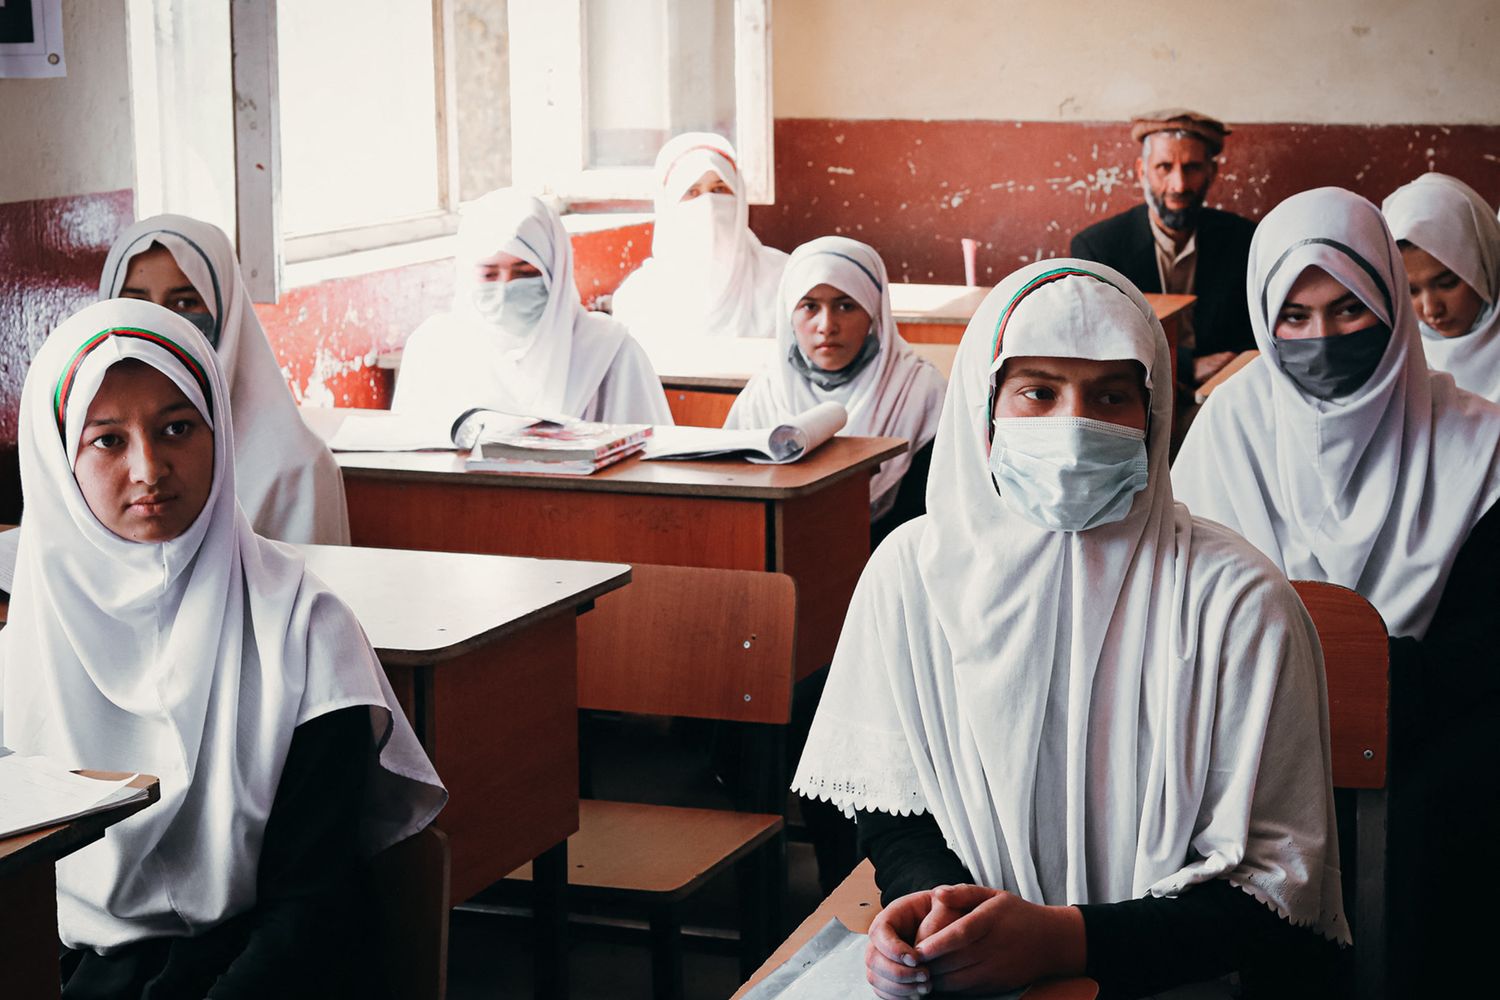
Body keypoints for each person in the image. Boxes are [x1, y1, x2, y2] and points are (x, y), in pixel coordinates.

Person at [791, 259, 1346, 998]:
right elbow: (895, 805)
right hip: (972, 970)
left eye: (1111, 395)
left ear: (1152, 416)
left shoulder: (1239, 601)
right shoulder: (910, 574)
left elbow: (1280, 890)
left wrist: (1061, 940)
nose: (1075, 426)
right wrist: (940, 908)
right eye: (1039, 391)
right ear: (983, 409)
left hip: (1166, 978)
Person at [0, 298, 446, 998]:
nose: (150, 468)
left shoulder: (301, 630)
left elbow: (308, 909)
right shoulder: (22, 650)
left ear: (221, 434)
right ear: (59, 461)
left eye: (177, 428)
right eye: (107, 440)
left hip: (265, 971)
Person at [1172, 187, 1500, 993]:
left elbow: (1482, 653)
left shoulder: (1481, 443)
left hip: (1432, 752)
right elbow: (1181, 607)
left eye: (1351, 309)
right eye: (1295, 315)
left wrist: (1353, 692)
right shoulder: (1229, 429)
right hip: (1242, 742)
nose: (1323, 339)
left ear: (1392, 301)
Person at [100, 215, 350, 545]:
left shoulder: (296, 467)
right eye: (137, 301)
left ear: (226, 312)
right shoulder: (88, 440)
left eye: (184, 302)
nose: (158, 322)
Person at [724, 236, 947, 545]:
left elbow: (932, 518)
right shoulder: (763, 395)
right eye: (809, 306)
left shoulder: (921, 392)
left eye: (845, 306)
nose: (827, 325)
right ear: (789, 313)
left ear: (873, 312)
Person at [392, 189, 672, 425]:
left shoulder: (610, 352)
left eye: (526, 273)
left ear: (556, 273)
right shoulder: (434, 349)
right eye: (489, 274)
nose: (505, 288)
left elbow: (650, 464)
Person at [1069, 110, 1256, 389]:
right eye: (1164, 167)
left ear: (1211, 173)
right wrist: (1185, 365)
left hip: (1222, 390)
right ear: (1142, 172)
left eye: (1191, 167)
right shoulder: (1098, 248)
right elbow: (1099, 339)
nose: (1179, 185)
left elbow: (1256, 333)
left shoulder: (1245, 240)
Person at [610, 133, 787, 349]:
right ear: (669, 205)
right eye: (692, 192)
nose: (709, 204)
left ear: (739, 199)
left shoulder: (782, 279)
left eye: (719, 189)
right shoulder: (639, 296)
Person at [1382, 172, 1500, 400]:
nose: (1431, 310)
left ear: (1486, 266)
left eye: (1447, 284)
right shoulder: (1397, 359)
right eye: (1410, 291)